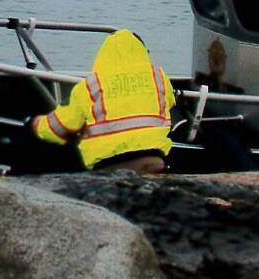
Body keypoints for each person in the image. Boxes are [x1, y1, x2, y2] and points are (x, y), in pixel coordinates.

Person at [31, 29, 175, 173]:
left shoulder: (90, 85)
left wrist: (36, 124)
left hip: (110, 166)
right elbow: (170, 102)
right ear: (142, 52)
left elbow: (60, 128)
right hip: (154, 161)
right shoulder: (159, 77)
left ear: (103, 55)